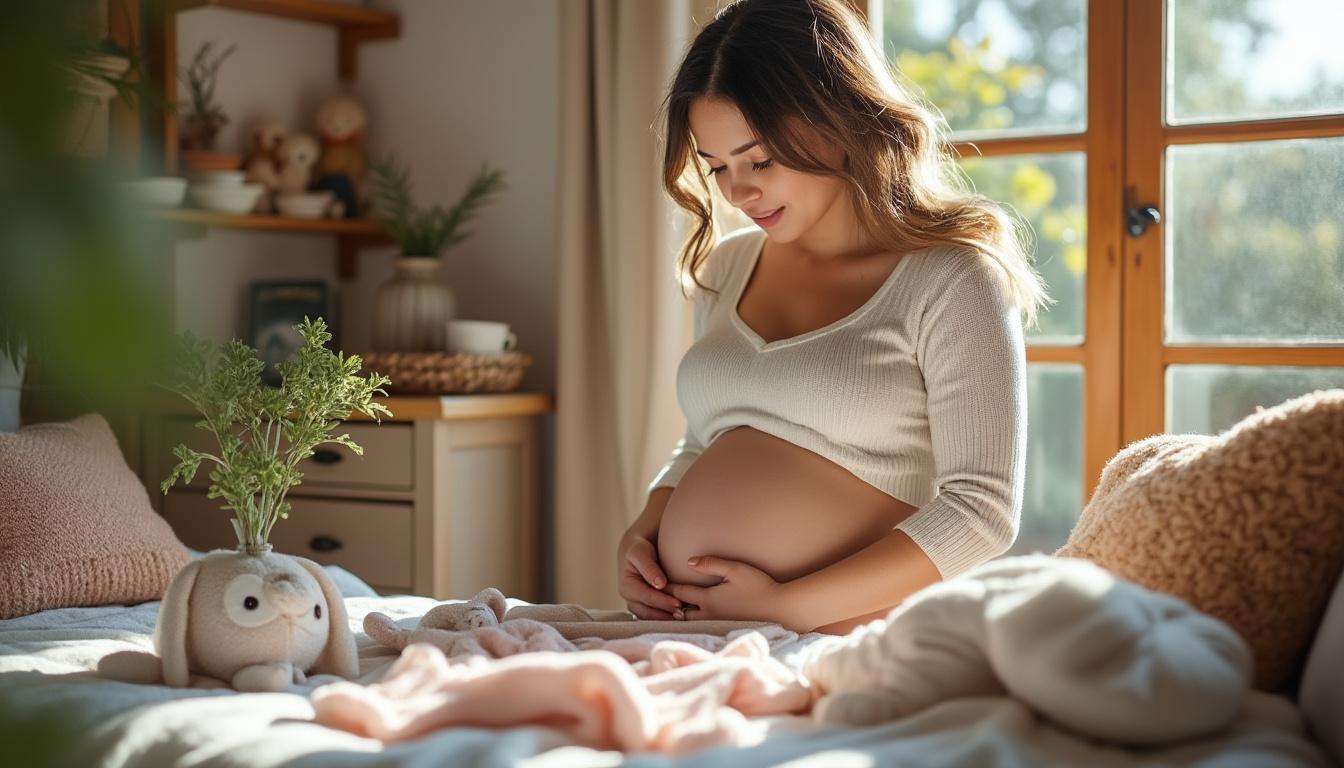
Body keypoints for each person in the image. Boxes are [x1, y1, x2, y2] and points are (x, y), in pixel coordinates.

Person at [616, 0, 1050, 635]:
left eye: (760, 160)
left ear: (837, 118)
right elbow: (702, 442)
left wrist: (784, 607)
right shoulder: (727, 267)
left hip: (844, 640)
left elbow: (982, 510)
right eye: (717, 167)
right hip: (698, 632)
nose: (737, 192)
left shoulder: (952, 277)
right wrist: (643, 531)